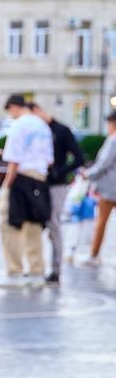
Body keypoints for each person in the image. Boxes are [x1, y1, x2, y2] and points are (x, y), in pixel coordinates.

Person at [0, 94, 53, 288]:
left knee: (8, 222)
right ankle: (36, 271)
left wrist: (7, 184)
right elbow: (49, 159)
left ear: (13, 107)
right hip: (40, 178)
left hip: (21, 177)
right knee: (33, 225)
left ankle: (15, 271)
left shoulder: (19, 125)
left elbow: (13, 160)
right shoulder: (42, 126)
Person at [29, 102, 84, 284]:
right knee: (35, 225)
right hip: (38, 184)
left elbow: (79, 158)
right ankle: (37, 266)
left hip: (56, 185)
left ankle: (56, 269)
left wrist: (59, 171)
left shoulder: (61, 130)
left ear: (38, 111)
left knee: (54, 225)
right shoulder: (37, 132)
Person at [81, 110, 116, 266]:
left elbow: (103, 163)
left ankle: (94, 255)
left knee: (101, 222)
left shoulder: (113, 140)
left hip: (110, 188)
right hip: (110, 186)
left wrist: (88, 174)